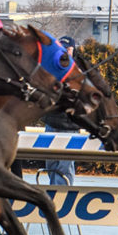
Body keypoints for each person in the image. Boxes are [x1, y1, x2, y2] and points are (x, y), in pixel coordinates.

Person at [42, 35, 80, 185]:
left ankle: (63, 198)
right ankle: (53, 196)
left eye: (68, 49)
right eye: (62, 48)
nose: (65, 52)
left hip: (70, 127)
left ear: (73, 50)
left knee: (64, 167)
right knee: (50, 166)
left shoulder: (79, 71)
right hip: (51, 123)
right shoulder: (49, 69)